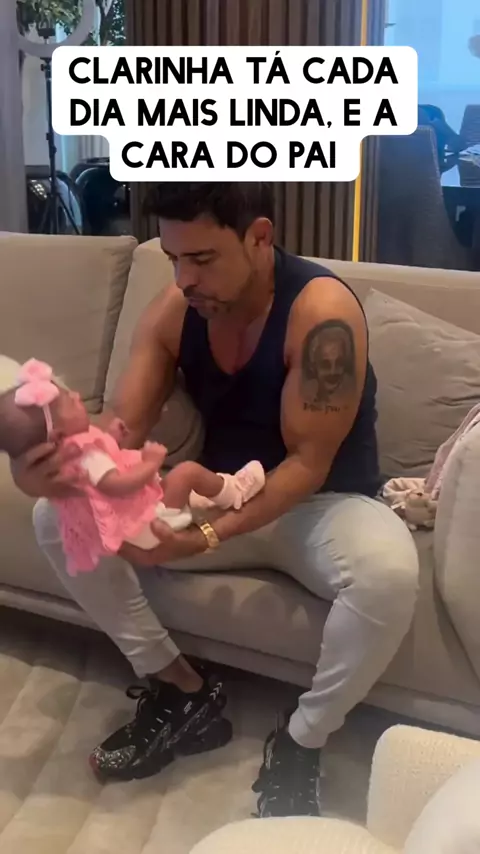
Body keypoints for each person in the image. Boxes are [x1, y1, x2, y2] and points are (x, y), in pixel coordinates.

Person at [12, 182, 419, 818]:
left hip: (322, 506)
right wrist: (53, 473)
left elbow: (306, 466)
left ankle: (303, 737)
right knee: (54, 518)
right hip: (215, 491)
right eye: (174, 259)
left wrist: (202, 538)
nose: (184, 279)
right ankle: (182, 692)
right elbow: (121, 431)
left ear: (259, 238)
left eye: (201, 259)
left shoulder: (321, 314)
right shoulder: (176, 310)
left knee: (388, 576)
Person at [1, 358, 264, 575]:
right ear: (59, 435)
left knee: (175, 481)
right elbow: (117, 485)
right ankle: (235, 491)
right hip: (149, 526)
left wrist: (112, 437)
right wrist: (151, 463)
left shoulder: (76, 450)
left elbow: (104, 466)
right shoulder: (85, 457)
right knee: (187, 472)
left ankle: (204, 497)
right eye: (71, 401)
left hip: (138, 526)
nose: (77, 396)